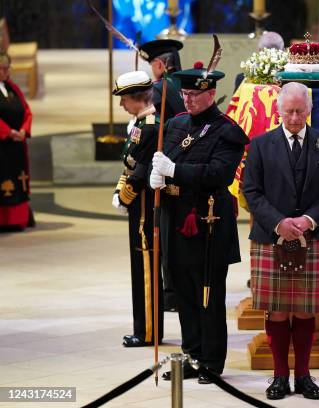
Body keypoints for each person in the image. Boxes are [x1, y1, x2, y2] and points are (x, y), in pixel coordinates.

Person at [150, 61, 249, 384]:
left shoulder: (227, 131)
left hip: (208, 224)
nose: (188, 100)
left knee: (208, 295)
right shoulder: (177, 124)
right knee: (183, 294)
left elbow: (216, 174)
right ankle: (191, 355)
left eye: (194, 94)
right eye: (186, 94)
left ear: (211, 93)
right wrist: (157, 177)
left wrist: (174, 171)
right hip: (175, 219)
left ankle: (211, 361)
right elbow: (166, 158)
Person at [242, 82, 319, 400]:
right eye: (289, 111)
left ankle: (303, 375)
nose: (295, 118)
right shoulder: (260, 145)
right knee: (278, 311)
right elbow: (251, 192)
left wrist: (307, 220)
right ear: (278, 110)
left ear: (310, 110)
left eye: (301, 111)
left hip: (312, 236)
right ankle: (280, 376)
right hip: (271, 238)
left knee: (304, 311)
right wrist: (279, 223)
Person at [111, 70, 164, 347]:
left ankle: (148, 332)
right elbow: (130, 166)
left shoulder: (148, 127)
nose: (121, 105)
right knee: (140, 267)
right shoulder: (141, 124)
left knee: (145, 269)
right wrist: (120, 190)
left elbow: (140, 172)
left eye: (124, 100)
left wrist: (125, 196)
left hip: (144, 210)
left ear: (137, 99)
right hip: (137, 206)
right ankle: (144, 328)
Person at [139, 38, 185, 311]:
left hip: (166, 164)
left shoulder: (159, 89)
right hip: (186, 166)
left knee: (165, 232)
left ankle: (170, 294)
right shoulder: (186, 83)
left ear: (159, 64)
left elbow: (150, 128)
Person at [0, 52, 33, 231]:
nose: (7, 72)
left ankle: (18, 218)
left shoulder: (12, 87)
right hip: (2, 144)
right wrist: (8, 132)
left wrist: (23, 130)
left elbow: (27, 110)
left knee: (19, 179)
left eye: (8, 68)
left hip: (17, 144)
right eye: (3, 68)